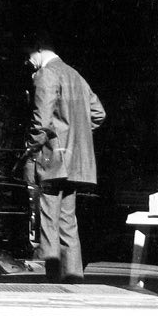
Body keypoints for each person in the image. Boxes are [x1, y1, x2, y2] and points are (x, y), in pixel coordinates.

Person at [19, 32, 105, 283]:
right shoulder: (75, 75)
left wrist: (30, 150)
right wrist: (74, 136)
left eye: (29, 54)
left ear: (38, 48)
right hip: (75, 162)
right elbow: (98, 114)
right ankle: (73, 279)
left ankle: (54, 281)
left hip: (52, 160)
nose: (28, 60)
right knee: (68, 221)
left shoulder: (46, 74)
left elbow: (41, 123)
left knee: (49, 220)